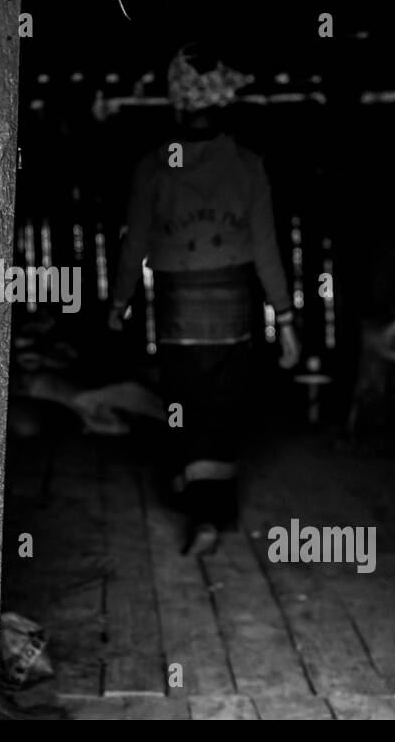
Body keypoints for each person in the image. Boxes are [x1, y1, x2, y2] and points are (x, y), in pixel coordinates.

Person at [108, 44, 300, 556]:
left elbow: (135, 245)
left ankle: (199, 507)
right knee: (223, 410)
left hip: (179, 315)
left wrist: (118, 304)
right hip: (235, 314)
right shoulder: (246, 164)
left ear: (176, 108)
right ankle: (214, 510)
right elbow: (266, 249)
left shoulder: (155, 166)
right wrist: (285, 319)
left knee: (185, 409)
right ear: (223, 109)